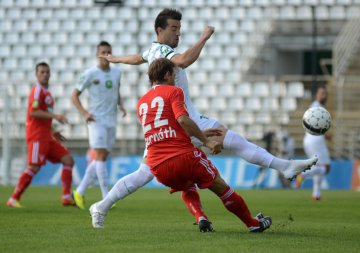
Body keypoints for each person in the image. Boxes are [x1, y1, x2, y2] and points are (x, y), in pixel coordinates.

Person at [96, 8, 317, 224]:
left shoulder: (151, 51)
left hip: (165, 128)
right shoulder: (164, 52)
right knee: (234, 140)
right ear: (159, 31)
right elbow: (182, 61)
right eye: (173, 28)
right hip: (187, 120)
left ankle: (102, 206)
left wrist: (115, 58)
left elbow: (137, 58)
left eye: (179, 28)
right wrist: (204, 37)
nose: (178, 33)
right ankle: (283, 167)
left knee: (143, 173)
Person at [90, 58, 273, 233]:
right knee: (220, 186)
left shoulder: (141, 103)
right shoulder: (174, 92)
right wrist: (206, 141)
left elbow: (165, 130)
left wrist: (200, 134)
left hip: (158, 167)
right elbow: (183, 119)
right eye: (174, 74)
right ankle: (252, 223)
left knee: (186, 185)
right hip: (184, 157)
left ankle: (200, 215)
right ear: (168, 75)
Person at [7, 62, 75, 207]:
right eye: (42, 72)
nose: (45, 74)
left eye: (47, 72)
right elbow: (33, 112)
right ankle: (13, 198)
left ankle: (66, 197)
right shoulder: (37, 91)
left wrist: (52, 132)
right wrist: (55, 116)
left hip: (46, 136)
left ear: (50, 74)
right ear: (36, 74)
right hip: (37, 136)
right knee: (34, 167)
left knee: (68, 159)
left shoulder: (47, 93)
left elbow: (43, 117)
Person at [71, 41, 126, 210]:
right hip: (96, 120)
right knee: (100, 155)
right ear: (97, 54)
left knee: (101, 157)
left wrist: (120, 104)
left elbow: (116, 90)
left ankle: (79, 192)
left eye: (108, 52)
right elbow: (74, 95)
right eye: (103, 52)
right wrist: (85, 113)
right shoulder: (90, 73)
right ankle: (106, 197)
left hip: (111, 119)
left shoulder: (117, 72)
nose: (106, 55)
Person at [297, 86, 331, 200]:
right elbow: (316, 124)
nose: (324, 96)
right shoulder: (317, 107)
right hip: (316, 140)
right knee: (326, 168)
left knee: (318, 167)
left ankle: (316, 194)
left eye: (325, 94)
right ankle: (303, 174)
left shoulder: (317, 106)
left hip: (309, 140)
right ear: (316, 95)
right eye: (321, 93)